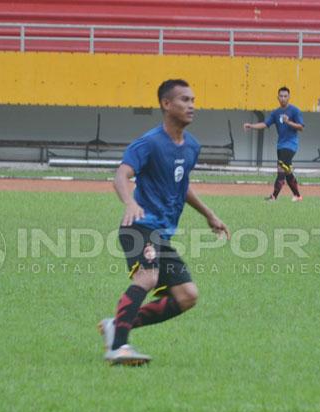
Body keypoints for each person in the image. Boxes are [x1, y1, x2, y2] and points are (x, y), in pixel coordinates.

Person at [99, 79, 230, 366]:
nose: (192, 105)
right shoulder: (149, 142)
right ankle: (118, 347)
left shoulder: (192, 146)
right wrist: (130, 203)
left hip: (161, 234)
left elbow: (181, 185)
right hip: (139, 226)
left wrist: (209, 214)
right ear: (166, 104)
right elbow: (121, 176)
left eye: (194, 100)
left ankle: (117, 326)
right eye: (184, 99)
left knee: (187, 295)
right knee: (147, 277)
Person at [243, 86, 304, 201]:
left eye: (285, 96)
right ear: (277, 97)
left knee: (281, 167)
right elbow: (265, 124)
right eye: (281, 96)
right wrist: (251, 126)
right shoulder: (276, 113)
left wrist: (288, 122)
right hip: (280, 145)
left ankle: (274, 196)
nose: (283, 98)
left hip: (291, 145)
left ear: (289, 97)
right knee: (286, 171)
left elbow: (301, 127)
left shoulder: (295, 111)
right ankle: (297, 195)